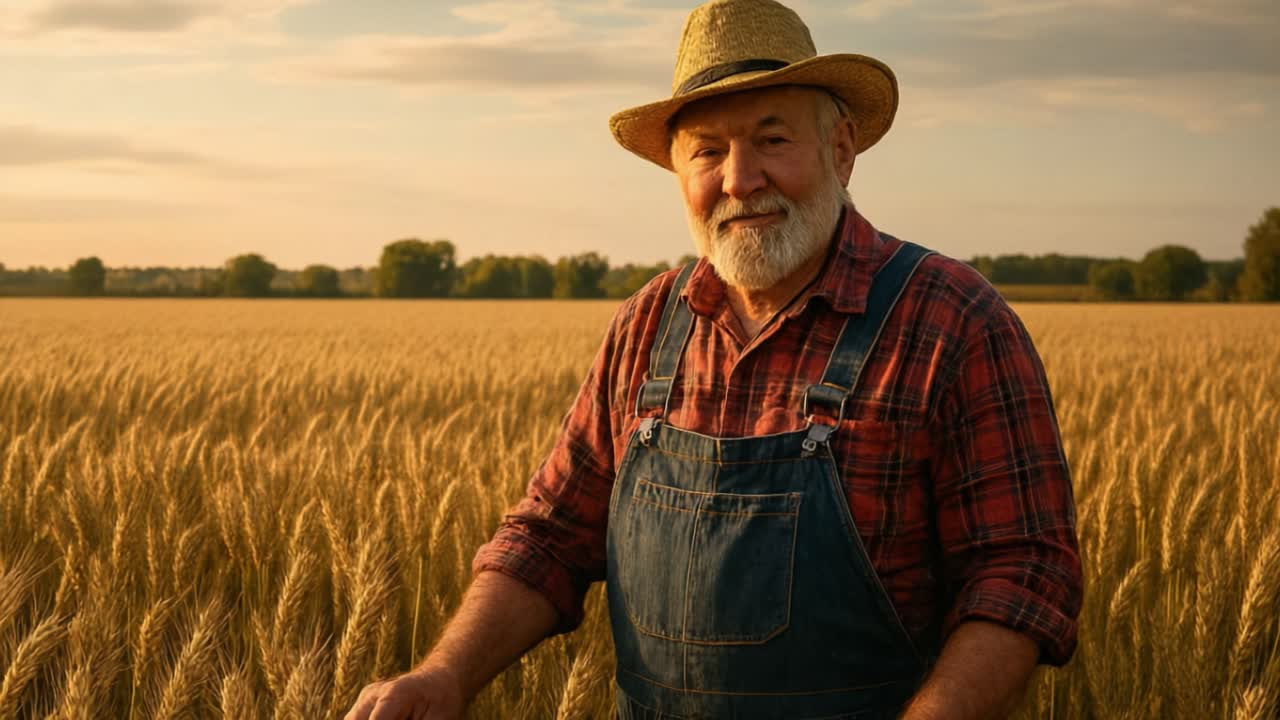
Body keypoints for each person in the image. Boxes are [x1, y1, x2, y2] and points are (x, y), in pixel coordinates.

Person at [345, 0, 1083, 718]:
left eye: (772, 140)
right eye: (707, 151)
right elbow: (550, 536)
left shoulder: (951, 319)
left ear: (842, 150)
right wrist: (443, 674)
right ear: (677, 173)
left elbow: (1021, 576)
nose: (739, 179)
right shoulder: (646, 325)